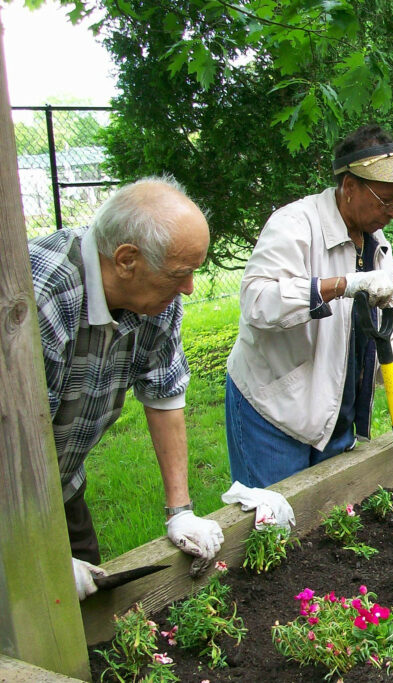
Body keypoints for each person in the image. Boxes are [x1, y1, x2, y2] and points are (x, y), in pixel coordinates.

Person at [225, 124, 393, 488]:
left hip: (333, 410)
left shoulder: (375, 243)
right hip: (272, 411)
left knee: (323, 525)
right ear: (350, 187)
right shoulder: (294, 225)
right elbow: (257, 302)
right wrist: (342, 285)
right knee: (273, 529)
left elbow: (375, 340)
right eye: (386, 200)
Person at [28, 177, 225, 600]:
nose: (189, 287)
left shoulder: (157, 298)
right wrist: (35, 558)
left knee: (92, 612)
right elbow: (13, 443)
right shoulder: (37, 298)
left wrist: (181, 511)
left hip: (60, 483)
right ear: (126, 259)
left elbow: (164, 393)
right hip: (15, 480)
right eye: (180, 273)